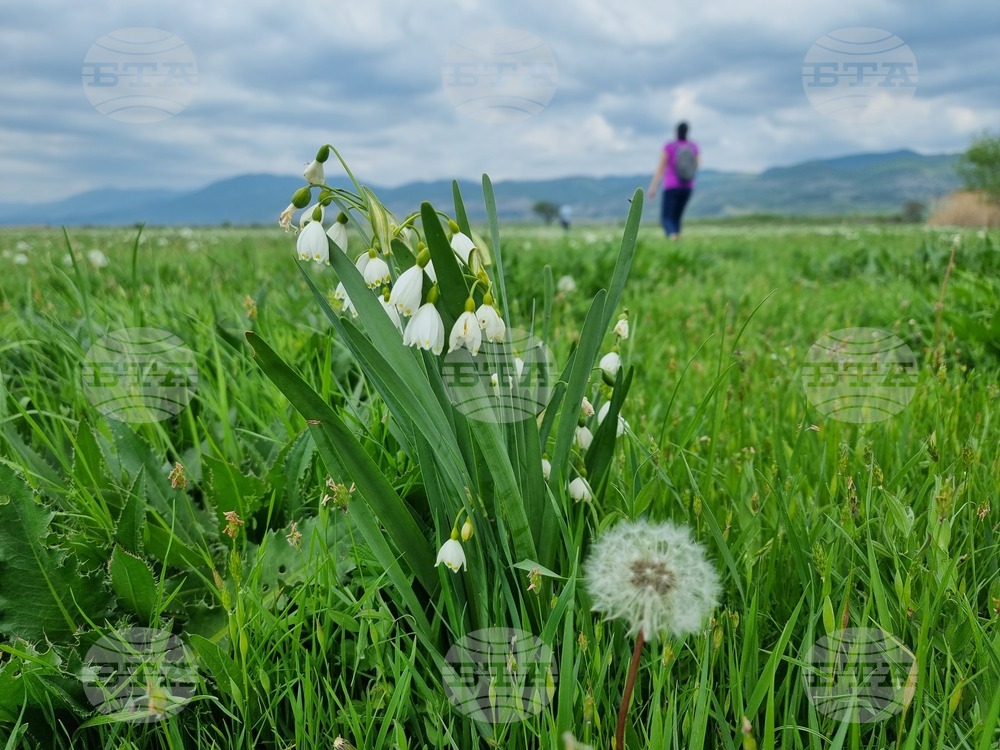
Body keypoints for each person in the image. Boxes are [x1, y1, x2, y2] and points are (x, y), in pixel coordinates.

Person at [647, 122, 699, 240]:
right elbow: (696, 165)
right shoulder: (693, 146)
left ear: (676, 132)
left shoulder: (669, 146)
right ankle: (676, 239)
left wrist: (653, 186)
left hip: (671, 185)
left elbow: (661, 167)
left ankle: (672, 237)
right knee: (677, 217)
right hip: (688, 186)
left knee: (666, 217)